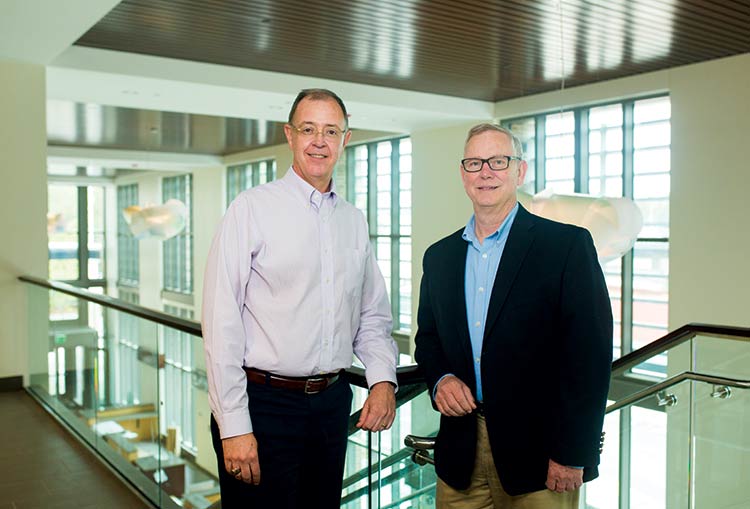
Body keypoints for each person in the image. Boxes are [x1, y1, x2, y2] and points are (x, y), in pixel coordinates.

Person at [202, 88, 398, 508]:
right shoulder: (251, 209)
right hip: (263, 406)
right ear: (289, 135)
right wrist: (234, 426)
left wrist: (382, 380)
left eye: (331, 130)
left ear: (346, 139)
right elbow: (221, 324)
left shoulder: (353, 221)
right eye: (308, 129)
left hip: (330, 405)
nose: (319, 141)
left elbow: (372, 316)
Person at [414, 123, 613, 508]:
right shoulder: (439, 257)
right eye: (474, 163)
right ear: (462, 174)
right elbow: (428, 338)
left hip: (541, 457)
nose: (485, 172)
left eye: (498, 161)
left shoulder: (566, 247)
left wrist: (574, 452)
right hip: (460, 452)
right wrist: (440, 379)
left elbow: (589, 358)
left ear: (519, 172)